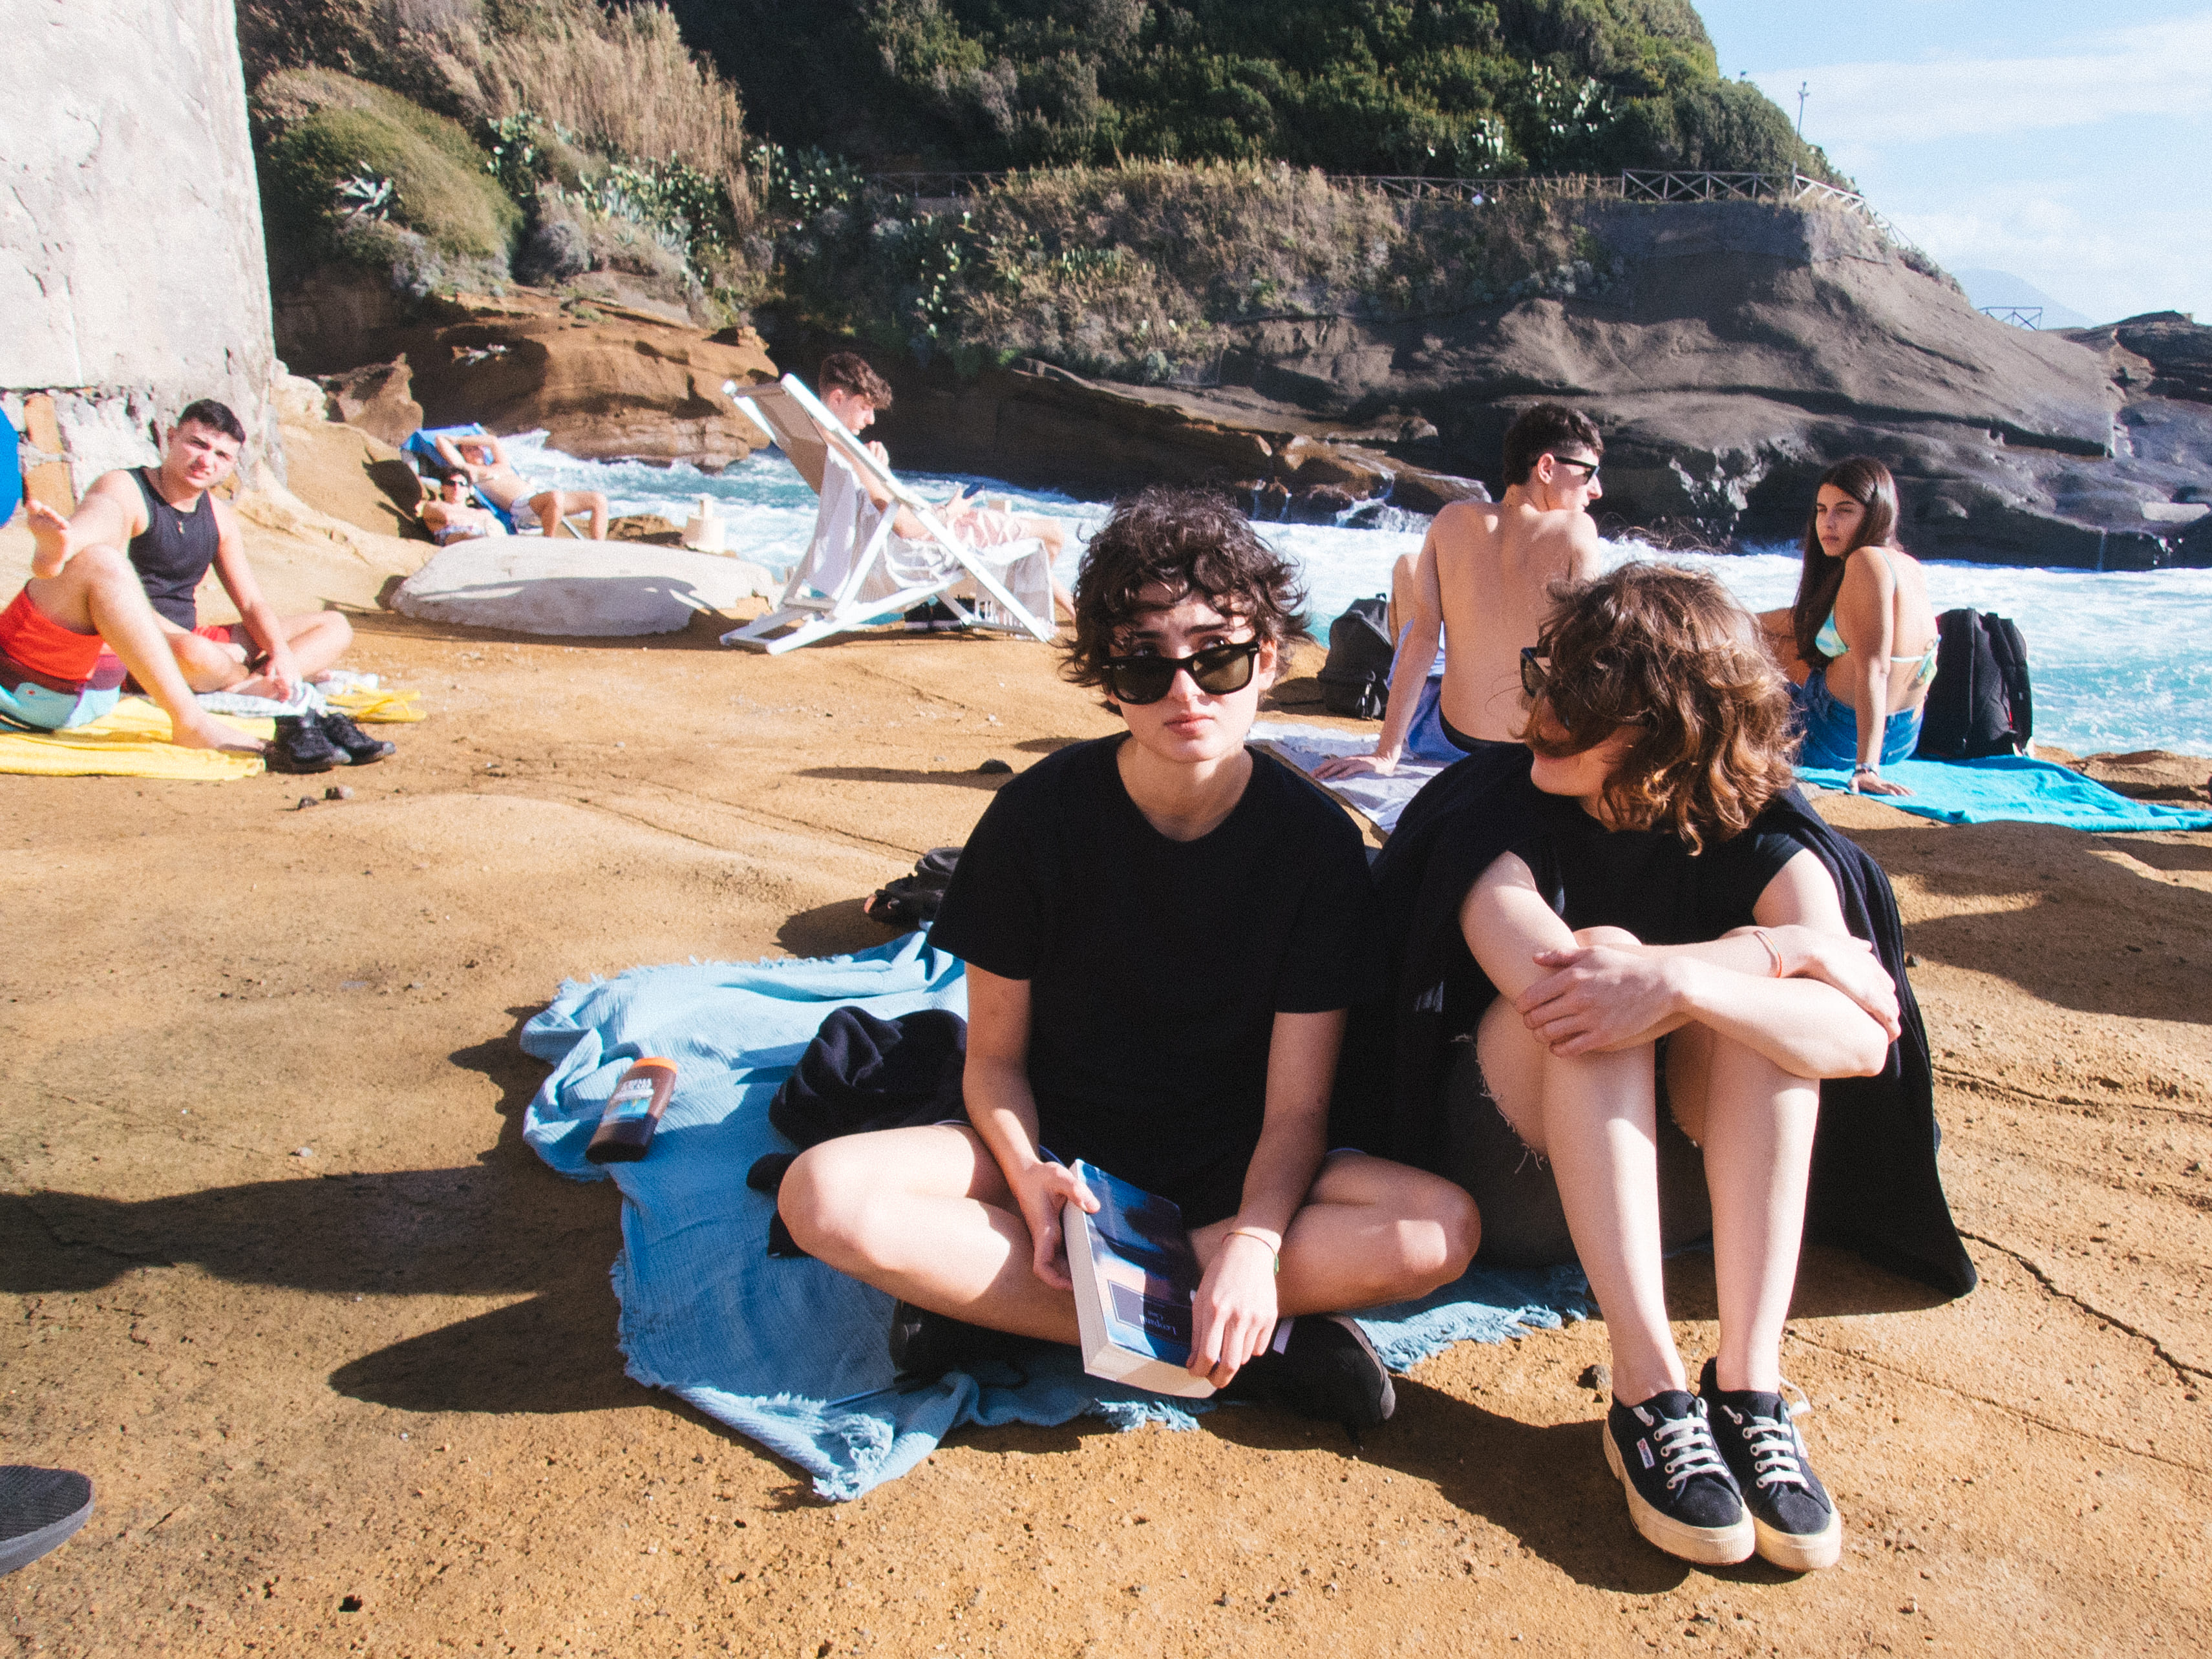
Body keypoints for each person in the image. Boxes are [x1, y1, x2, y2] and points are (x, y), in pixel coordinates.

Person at [778, 488, 1478, 1431]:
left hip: (1233, 1163)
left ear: (1269, 659)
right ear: (1107, 681)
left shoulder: (1314, 845)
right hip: (1063, 1149)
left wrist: (1255, 1244)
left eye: (1217, 657)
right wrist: (1028, 1174)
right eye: (1145, 666)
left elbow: (1296, 1110)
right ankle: (1246, 1341)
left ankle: (1004, 1306)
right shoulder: (1035, 818)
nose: (1185, 693)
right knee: (823, 1194)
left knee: (1438, 1231)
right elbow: (994, 1062)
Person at [1396, 564, 1920, 1571]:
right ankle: (1646, 1387)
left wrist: (1695, 981)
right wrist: (1774, 953)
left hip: (1683, 1193)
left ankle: (1750, 1385)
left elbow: (1859, 1041)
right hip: (1517, 1178)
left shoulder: (1769, 836)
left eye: (1581, 701)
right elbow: (1564, 987)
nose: (1542, 713)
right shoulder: (1492, 812)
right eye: (1546, 678)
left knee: (1760, 1027)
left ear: (1672, 726)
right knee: (1603, 971)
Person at [1315, 404, 1605, 780]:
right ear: (1546, 468)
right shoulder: (1577, 530)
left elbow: (1422, 642)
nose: (1597, 490)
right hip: (1530, 749)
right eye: (1589, 474)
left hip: (1448, 739)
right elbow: (1585, 657)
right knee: (1411, 569)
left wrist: (1386, 754)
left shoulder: (1451, 519)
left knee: (1407, 568)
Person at [814, 352, 1075, 621]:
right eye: (865, 407)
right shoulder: (852, 456)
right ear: (838, 399)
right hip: (921, 546)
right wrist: (951, 511)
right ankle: (1014, 612)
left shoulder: (827, 443)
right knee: (1052, 533)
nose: (871, 419)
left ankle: (1071, 606)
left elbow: (877, 510)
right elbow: (906, 528)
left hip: (913, 536)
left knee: (1031, 533)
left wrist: (881, 473)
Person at [1756, 458, 1940, 797]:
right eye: (1821, 510)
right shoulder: (1907, 565)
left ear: (1875, 513)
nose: (1828, 523)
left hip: (1836, 740)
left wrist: (1866, 769)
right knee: (1765, 629)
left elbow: (1876, 668)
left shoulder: (1864, 561)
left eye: (1844, 510)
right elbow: (1802, 620)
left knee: (1748, 652)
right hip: (1902, 738)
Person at [431, 430, 609, 541]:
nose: (475, 451)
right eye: (469, 449)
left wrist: (466, 440)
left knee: (598, 499)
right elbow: (440, 439)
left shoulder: (501, 464)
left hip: (537, 499)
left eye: (477, 447)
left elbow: (493, 441)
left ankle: (597, 548)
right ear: (462, 454)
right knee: (555, 496)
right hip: (519, 507)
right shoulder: (470, 471)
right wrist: (456, 440)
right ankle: (549, 543)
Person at [419, 474, 509, 546]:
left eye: (462, 484)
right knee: (466, 534)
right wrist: (477, 522)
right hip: (454, 539)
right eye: (451, 483)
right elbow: (447, 518)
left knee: (496, 527)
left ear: (468, 491)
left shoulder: (484, 512)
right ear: (442, 488)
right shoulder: (435, 505)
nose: (456, 487)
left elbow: (497, 528)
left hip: (485, 537)